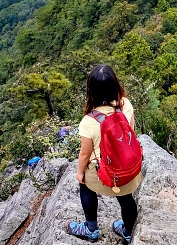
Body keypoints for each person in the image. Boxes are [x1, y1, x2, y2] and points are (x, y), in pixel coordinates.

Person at [66, 64, 141, 243]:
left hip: (104, 176)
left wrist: (79, 172)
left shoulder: (88, 121)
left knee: (84, 184)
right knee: (127, 199)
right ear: (115, 85)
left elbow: (85, 155)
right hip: (128, 170)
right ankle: (128, 232)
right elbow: (130, 133)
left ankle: (91, 229)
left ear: (91, 90)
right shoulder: (126, 105)